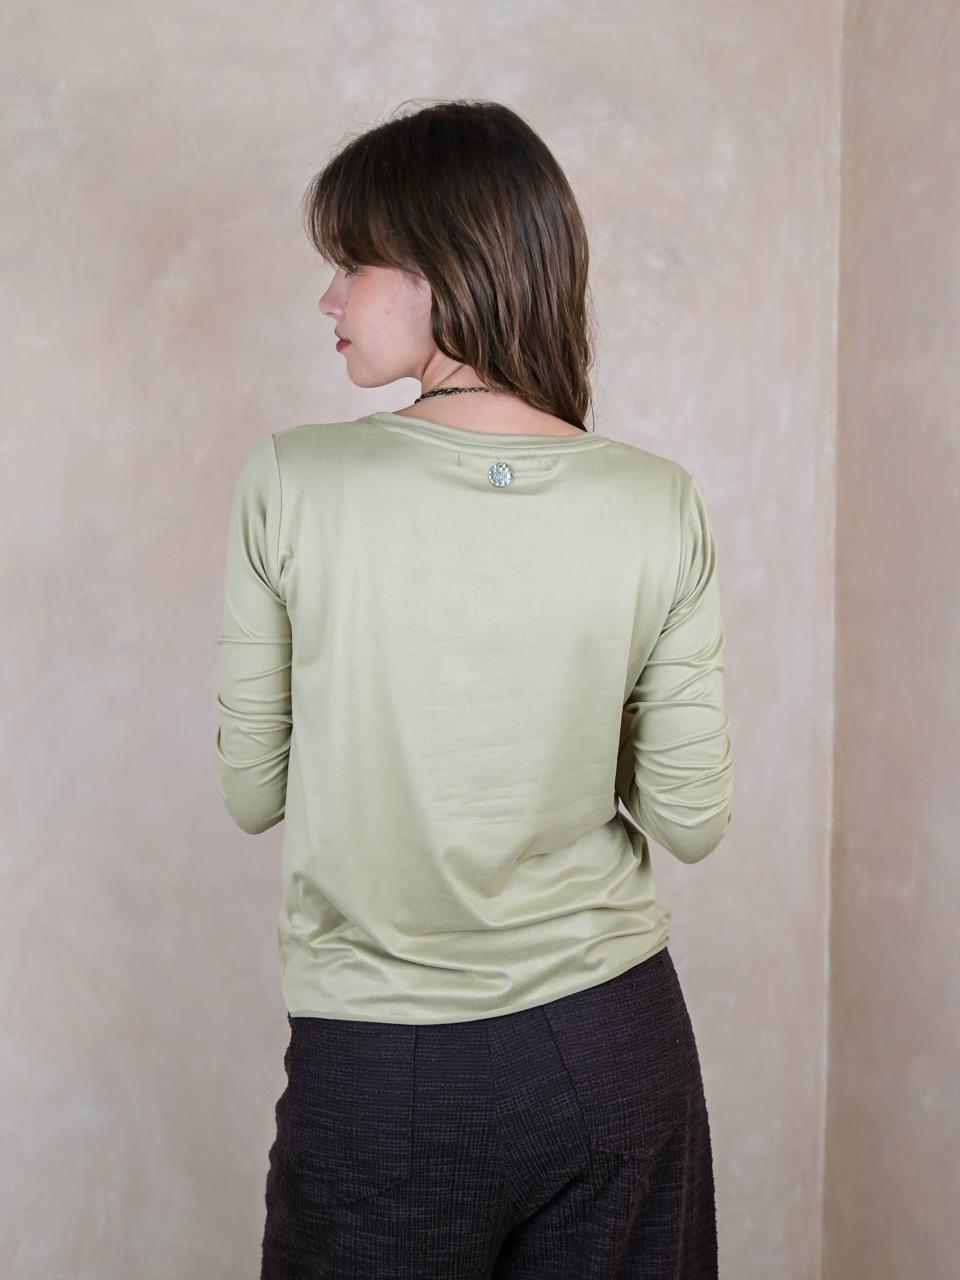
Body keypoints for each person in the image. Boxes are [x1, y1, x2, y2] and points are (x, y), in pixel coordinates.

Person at [215, 97, 734, 1279]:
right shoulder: (658, 500)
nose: (329, 298)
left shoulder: (293, 480)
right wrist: (575, 707)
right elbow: (692, 816)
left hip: (383, 1067)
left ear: (445, 269)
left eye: (352, 262)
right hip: (615, 1040)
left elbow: (252, 791)